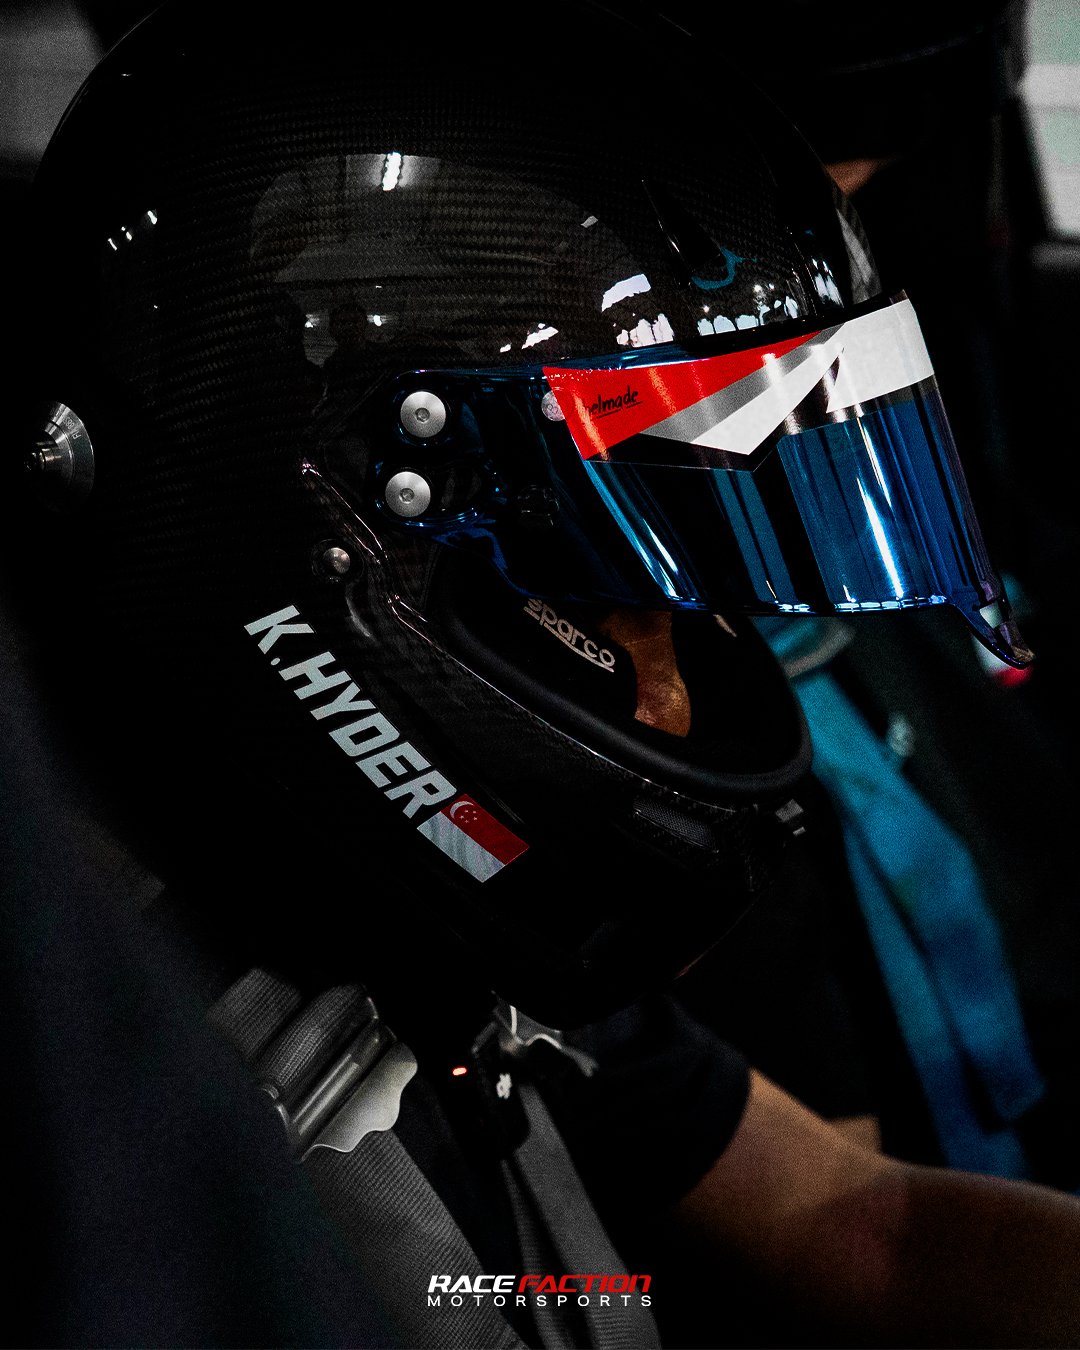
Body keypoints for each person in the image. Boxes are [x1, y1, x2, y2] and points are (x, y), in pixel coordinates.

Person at [5, 1, 1080, 1347]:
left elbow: (861, 1225)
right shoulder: (94, 1070)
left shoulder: (446, 921)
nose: (674, 701)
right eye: (607, 604)